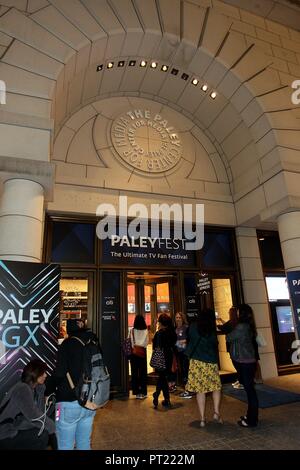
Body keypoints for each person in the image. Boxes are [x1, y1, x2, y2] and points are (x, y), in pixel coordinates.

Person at [46, 318, 99, 449]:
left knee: (65, 445)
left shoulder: (67, 344)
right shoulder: (93, 342)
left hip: (68, 402)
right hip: (89, 402)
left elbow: (59, 373)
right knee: (84, 443)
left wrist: (48, 390)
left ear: (69, 331)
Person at [0, 359, 56, 450]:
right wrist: (53, 428)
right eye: (43, 372)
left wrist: (41, 390)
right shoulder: (22, 388)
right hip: (5, 433)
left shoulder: (34, 389)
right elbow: (34, 416)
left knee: (42, 433)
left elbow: (40, 413)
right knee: (42, 435)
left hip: (16, 428)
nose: (46, 375)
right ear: (35, 373)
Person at [185, 309, 222, 428]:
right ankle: (216, 412)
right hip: (210, 361)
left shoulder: (193, 327)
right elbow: (214, 343)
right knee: (215, 388)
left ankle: (202, 419)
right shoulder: (211, 328)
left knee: (200, 391)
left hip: (196, 362)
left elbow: (189, 338)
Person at [226, 304, 259, 428]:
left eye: (238, 312)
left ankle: (252, 420)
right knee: (250, 390)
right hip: (249, 361)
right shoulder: (249, 326)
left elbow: (229, 337)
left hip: (245, 362)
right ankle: (250, 416)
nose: (237, 313)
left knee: (250, 391)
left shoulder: (241, 327)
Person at [152, 313, 177, 409]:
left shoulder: (159, 334)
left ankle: (157, 394)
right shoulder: (172, 332)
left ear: (161, 323)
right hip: (169, 357)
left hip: (160, 358)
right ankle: (166, 399)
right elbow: (174, 343)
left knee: (161, 377)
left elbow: (155, 347)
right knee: (163, 378)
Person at [217, 307, 243, 389]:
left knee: (236, 364)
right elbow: (226, 326)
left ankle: (241, 381)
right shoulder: (238, 323)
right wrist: (221, 321)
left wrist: (217, 324)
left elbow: (223, 327)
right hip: (240, 347)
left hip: (232, 347)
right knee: (240, 364)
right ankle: (240, 380)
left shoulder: (231, 323)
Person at [173, 312, 192, 398]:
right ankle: (186, 389)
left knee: (186, 370)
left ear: (182, 318)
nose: (177, 319)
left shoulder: (186, 327)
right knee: (182, 371)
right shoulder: (175, 328)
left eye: (179, 317)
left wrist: (178, 342)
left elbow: (188, 339)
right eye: (176, 317)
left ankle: (188, 391)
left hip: (185, 353)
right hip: (178, 353)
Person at [130, 314, 149, 399]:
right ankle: (143, 392)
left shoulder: (132, 330)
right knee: (143, 373)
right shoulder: (146, 331)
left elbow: (130, 341)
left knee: (134, 373)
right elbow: (146, 343)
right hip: (142, 352)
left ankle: (136, 392)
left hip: (134, 352)